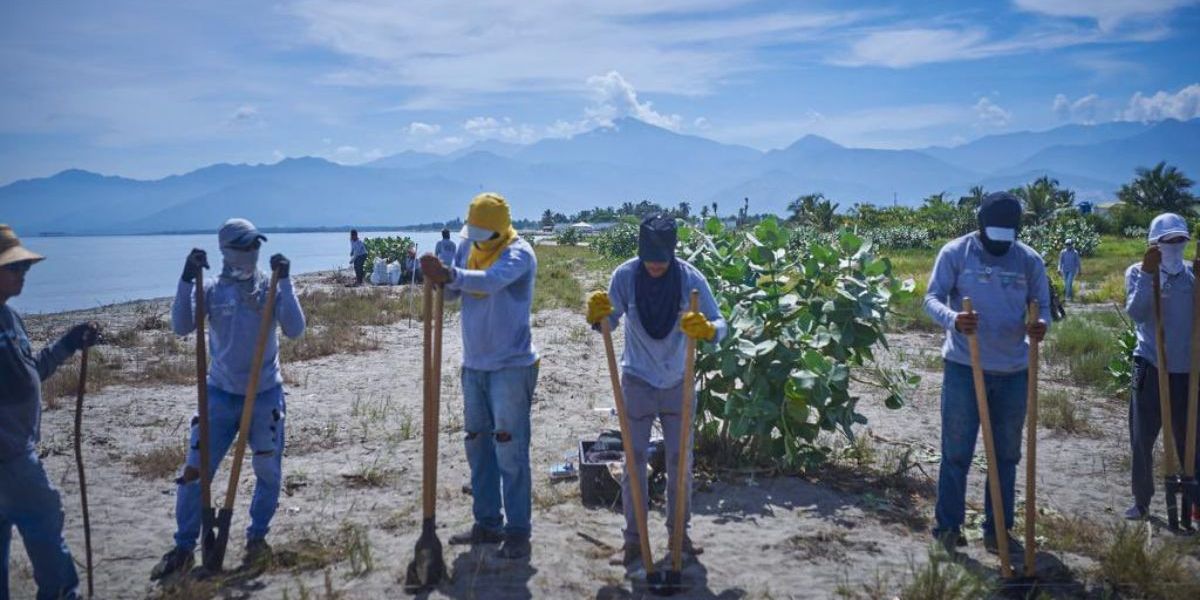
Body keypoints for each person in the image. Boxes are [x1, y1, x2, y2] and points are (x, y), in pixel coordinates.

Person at [151, 218, 306, 579]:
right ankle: (184, 546)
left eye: (256, 245)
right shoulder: (213, 290)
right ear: (227, 250)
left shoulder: (269, 289)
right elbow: (181, 325)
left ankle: (256, 538)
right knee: (194, 471)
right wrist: (187, 278)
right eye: (244, 246)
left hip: (264, 393)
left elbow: (296, 329)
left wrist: (286, 280)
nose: (252, 252)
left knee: (268, 469)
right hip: (219, 395)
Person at [585, 215, 726, 567]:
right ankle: (634, 540)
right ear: (640, 250)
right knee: (634, 463)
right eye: (650, 258)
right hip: (637, 381)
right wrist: (596, 317)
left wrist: (708, 330)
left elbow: (722, 324)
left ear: (673, 253)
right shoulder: (625, 276)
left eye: (662, 259)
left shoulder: (690, 279)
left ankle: (679, 535)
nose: (655, 266)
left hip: (678, 381)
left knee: (681, 463)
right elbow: (609, 321)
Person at [923, 192, 1050, 554]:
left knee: (1006, 455)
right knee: (956, 452)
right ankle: (948, 528)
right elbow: (931, 298)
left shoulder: (1029, 260)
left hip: (1013, 371)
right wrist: (954, 320)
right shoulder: (955, 253)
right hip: (965, 367)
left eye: (1006, 237)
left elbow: (1043, 308)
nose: (999, 243)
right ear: (980, 226)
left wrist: (1040, 325)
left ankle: (998, 529)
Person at [420, 192, 538, 560]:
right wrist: (440, 277)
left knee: (509, 448)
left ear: (500, 231)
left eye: (482, 234)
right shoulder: (467, 244)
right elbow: (454, 293)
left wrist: (451, 274)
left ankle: (518, 530)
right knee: (477, 445)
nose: (475, 240)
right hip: (475, 366)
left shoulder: (519, 253)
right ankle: (487, 523)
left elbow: (489, 281)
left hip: (511, 367)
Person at [0, 224, 101, 600]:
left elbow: (33, 371)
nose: (22, 274)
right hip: (11, 460)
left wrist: (70, 342)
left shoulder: (10, 319)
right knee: (47, 532)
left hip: (17, 453)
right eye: (14, 268)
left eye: (24, 268)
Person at [1122, 213, 1200, 521]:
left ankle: (1194, 501)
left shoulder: (1193, 277)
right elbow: (1137, 313)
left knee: (1191, 437)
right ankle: (1141, 501)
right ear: (1154, 245)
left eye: (1180, 241)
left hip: (1187, 370)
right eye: (1168, 242)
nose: (1174, 248)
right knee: (1142, 436)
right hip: (1149, 364)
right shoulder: (1138, 272)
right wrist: (1147, 274)